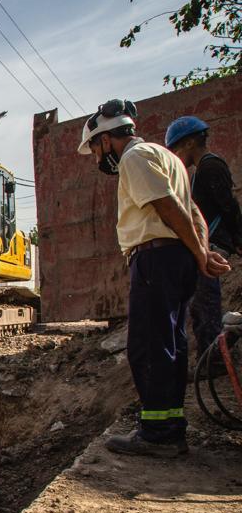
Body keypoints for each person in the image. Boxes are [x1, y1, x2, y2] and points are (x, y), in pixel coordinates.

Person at [78, 99, 231, 456]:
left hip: (155, 258)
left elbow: (169, 207)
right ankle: (170, 425)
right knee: (171, 343)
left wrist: (200, 253)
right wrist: (201, 252)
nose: (97, 159)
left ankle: (159, 434)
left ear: (106, 139)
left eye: (96, 150)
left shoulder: (134, 158)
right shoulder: (169, 158)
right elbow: (194, 212)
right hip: (176, 258)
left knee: (149, 346)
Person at [165, 116, 242, 361]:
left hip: (214, 245)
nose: (175, 156)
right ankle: (210, 356)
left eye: (177, 148)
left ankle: (214, 360)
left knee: (206, 304)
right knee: (200, 305)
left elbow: (229, 206)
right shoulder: (201, 171)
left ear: (189, 143)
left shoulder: (211, 167)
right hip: (208, 244)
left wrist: (238, 238)